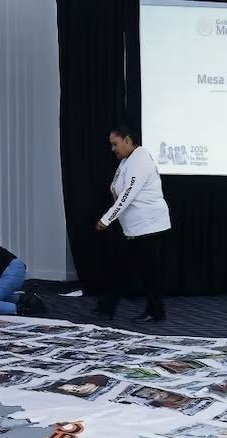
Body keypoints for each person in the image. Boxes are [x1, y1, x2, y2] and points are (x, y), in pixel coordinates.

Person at [95, 124, 172, 322]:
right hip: (136, 226)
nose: (113, 149)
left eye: (115, 144)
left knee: (146, 271)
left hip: (148, 225)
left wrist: (107, 218)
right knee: (125, 267)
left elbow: (128, 193)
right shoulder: (128, 159)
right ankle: (108, 306)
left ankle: (152, 311)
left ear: (128, 140)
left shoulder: (140, 159)